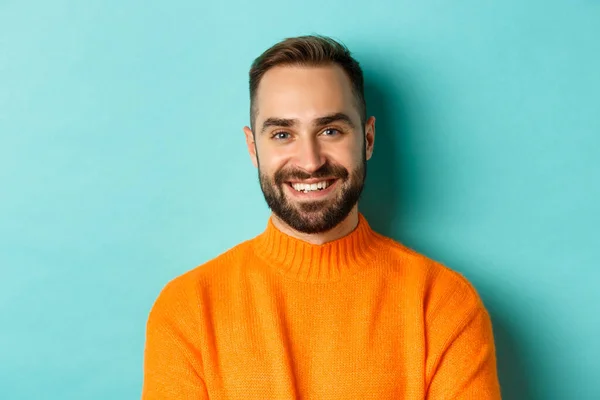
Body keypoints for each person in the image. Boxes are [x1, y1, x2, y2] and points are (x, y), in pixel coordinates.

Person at [141, 35, 502, 399]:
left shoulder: (441, 304)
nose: (310, 161)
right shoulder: (188, 310)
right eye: (283, 134)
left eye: (330, 131)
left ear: (368, 138)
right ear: (253, 148)